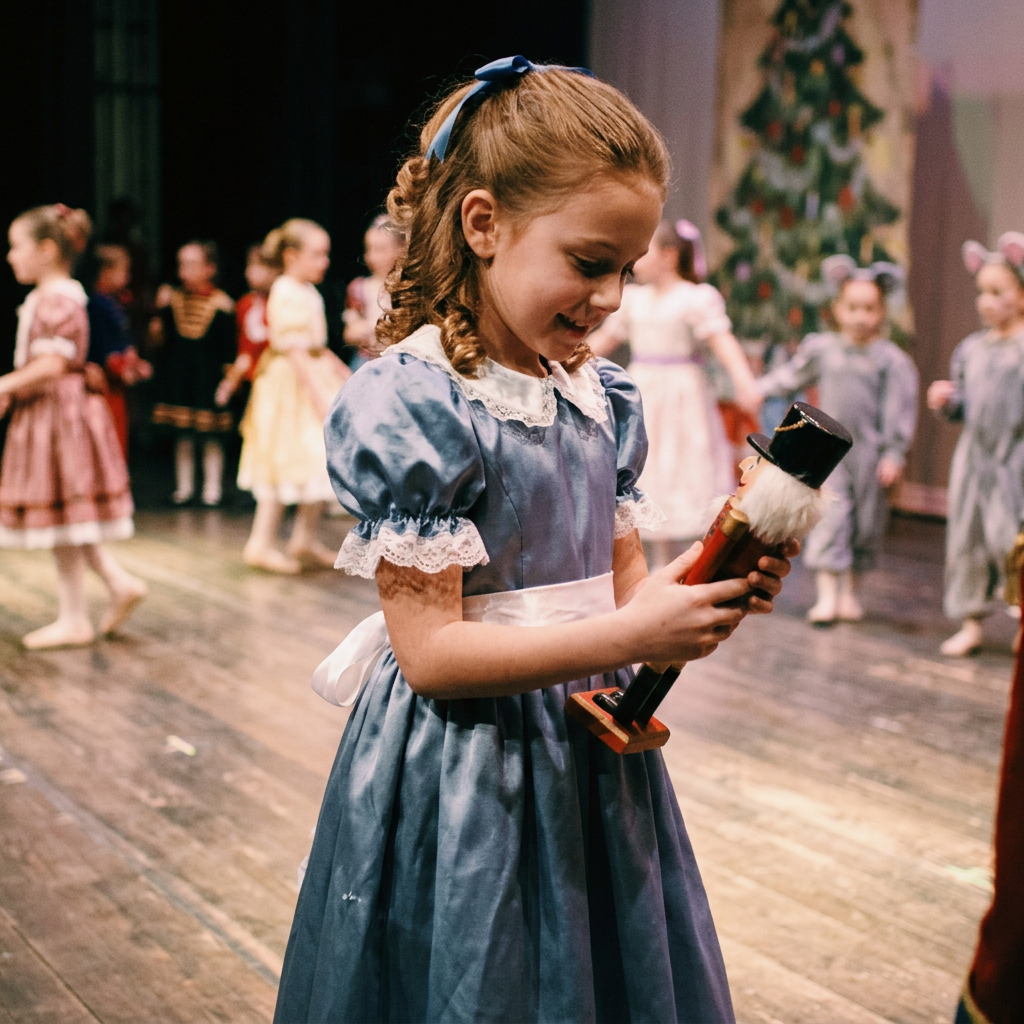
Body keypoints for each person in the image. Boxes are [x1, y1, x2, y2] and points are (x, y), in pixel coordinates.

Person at [274, 57, 799, 1024]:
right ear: (484, 224)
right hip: (470, 767)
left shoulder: (604, 398)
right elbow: (431, 656)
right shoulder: (418, 402)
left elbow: (620, 597)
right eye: (590, 262)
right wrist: (633, 640)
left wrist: (708, 583)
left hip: (593, 743)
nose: (611, 298)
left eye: (628, 271)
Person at [0, 205, 146, 648]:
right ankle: (116, 584)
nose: (10, 257)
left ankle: (75, 616)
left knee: (64, 513)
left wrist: (5, 384)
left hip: (58, 415)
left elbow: (53, 361)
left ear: (46, 249)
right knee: (69, 517)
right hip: (52, 411)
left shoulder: (57, 298)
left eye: (16, 247)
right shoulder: (55, 295)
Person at [754, 256, 919, 625]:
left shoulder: (891, 361)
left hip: (870, 456)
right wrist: (759, 389)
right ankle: (827, 596)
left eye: (869, 308)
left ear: (881, 311)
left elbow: (899, 411)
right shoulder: (824, 350)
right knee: (833, 518)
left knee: (864, 524)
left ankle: (850, 595)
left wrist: (894, 453)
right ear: (838, 309)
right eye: (853, 307)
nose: (861, 316)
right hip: (829, 454)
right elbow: (790, 375)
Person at [589, 219, 761, 543]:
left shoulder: (695, 298)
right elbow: (604, 339)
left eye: (644, 251)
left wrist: (744, 380)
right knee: (647, 461)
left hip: (682, 393)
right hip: (643, 390)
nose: (635, 260)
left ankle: (686, 552)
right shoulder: (634, 299)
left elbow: (721, 340)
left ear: (669, 256)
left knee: (682, 461)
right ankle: (651, 554)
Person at [927, 234, 1024, 657]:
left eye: (997, 292)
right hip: (975, 458)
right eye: (981, 292)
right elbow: (965, 402)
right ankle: (970, 622)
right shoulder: (972, 349)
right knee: (967, 537)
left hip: (1015, 456)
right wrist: (947, 402)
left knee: (1013, 540)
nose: (986, 302)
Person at [236, 219, 351, 573]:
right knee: (283, 457)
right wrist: (319, 395)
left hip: (310, 373)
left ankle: (303, 538)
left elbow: (314, 346)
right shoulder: (285, 290)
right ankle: (260, 543)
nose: (324, 261)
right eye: (317, 254)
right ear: (291, 256)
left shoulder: (307, 291)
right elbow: (297, 351)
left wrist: (338, 371)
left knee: (316, 460)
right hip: (291, 384)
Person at [150, 240, 236, 506]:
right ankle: (184, 488)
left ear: (209, 268)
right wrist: (157, 312)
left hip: (207, 378)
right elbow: (159, 341)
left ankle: (212, 489)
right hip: (180, 377)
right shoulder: (172, 300)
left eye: (191, 264)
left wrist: (228, 378)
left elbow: (227, 348)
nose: (183, 271)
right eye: (181, 265)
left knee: (211, 437)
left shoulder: (221, 304)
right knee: (183, 435)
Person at [87, 242, 153, 457]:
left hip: (118, 384)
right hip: (105, 383)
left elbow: (124, 340)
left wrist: (134, 362)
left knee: (118, 433)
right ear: (106, 272)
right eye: (124, 271)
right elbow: (102, 345)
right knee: (106, 435)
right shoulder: (97, 306)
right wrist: (122, 367)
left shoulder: (116, 304)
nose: (128, 277)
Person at [214, 244, 279, 409]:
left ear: (275, 270)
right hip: (250, 379)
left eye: (258, 266)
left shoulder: (280, 303)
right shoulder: (245, 304)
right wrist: (232, 379)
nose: (249, 272)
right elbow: (244, 349)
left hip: (277, 378)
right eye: (249, 265)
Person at [342, 214, 405, 368]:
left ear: (401, 249)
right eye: (369, 249)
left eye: (380, 249)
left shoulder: (406, 289)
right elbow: (349, 331)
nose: (373, 257)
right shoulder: (359, 288)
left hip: (398, 362)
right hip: (366, 361)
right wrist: (359, 331)